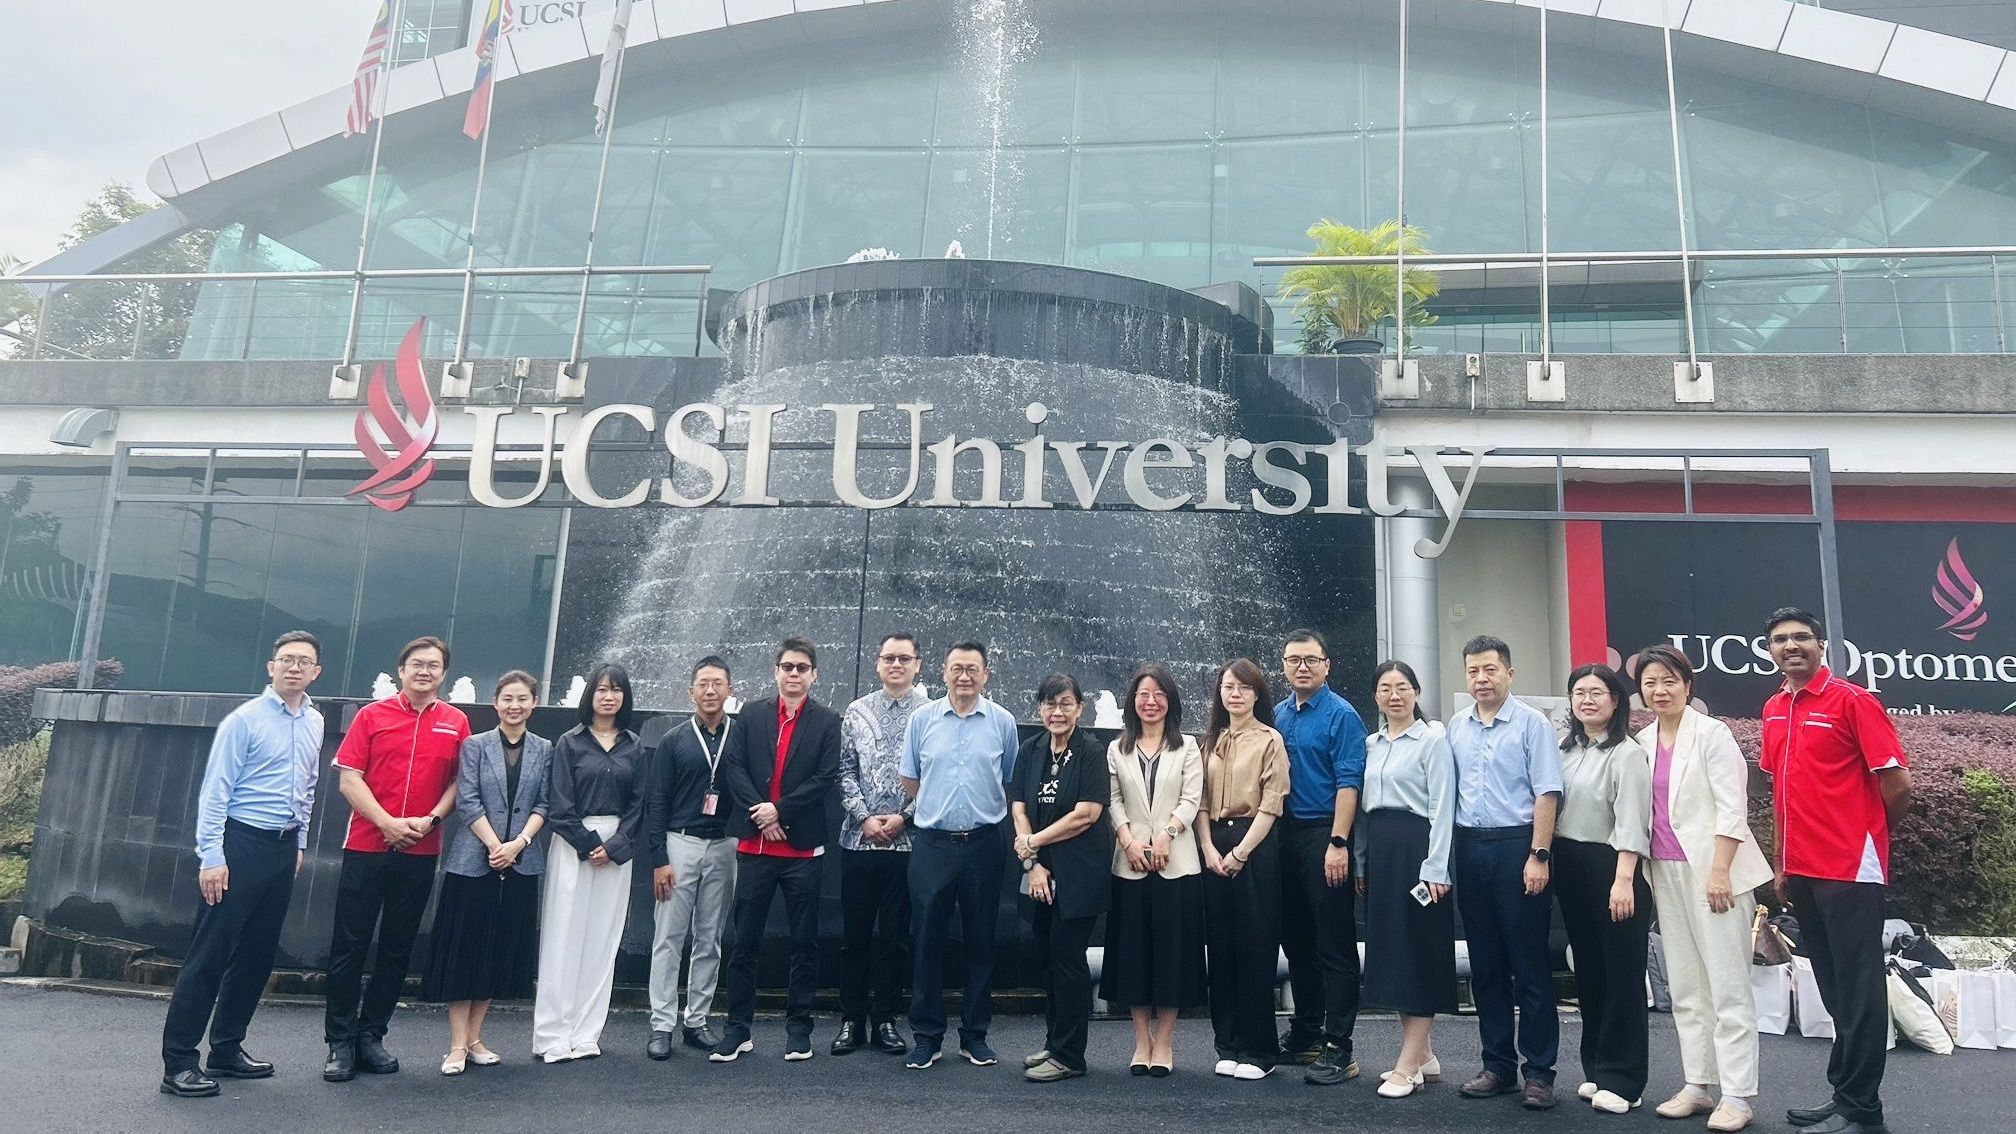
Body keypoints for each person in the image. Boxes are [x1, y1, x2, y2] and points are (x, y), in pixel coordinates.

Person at [1759, 610, 1909, 1134]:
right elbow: (1781, 794)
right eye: (1780, 639)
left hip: (1849, 868)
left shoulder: (1853, 701)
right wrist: (1781, 863)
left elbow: (1897, 783)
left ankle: (1863, 1111)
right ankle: (1845, 1095)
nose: (1791, 645)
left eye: (1801, 637)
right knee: (1833, 987)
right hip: (1801, 870)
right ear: (1770, 650)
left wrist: (1865, 833)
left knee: (1859, 988)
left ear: (1821, 645)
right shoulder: (1774, 708)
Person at [159, 631, 326, 1099]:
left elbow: (308, 787)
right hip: (240, 844)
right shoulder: (244, 720)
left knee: (256, 955)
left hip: (282, 848)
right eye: (287, 659)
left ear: (316, 673)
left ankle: (227, 1048)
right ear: (271, 667)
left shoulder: (314, 721)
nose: (294, 667)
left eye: (304, 662)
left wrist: (299, 843)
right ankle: (179, 1063)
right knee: (210, 954)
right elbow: (215, 791)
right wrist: (212, 857)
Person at [1636, 644, 1774, 1133]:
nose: (1660, 690)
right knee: (1686, 985)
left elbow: (1732, 807)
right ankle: (1697, 1084)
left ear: (1688, 685)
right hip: (1664, 872)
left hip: (1715, 873)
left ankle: (1737, 1095)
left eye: (1669, 681)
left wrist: (1719, 872)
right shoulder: (1643, 741)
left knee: (1727, 985)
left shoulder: (1713, 734)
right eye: (1650, 682)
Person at [324, 635, 470, 1083]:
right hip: (366, 845)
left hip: (420, 850)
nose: (424, 671)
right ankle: (340, 1042)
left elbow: (461, 783)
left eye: (433, 665)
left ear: (444, 674)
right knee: (349, 946)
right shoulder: (372, 715)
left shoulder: (456, 722)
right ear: (401, 670)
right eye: (416, 664)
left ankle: (372, 1035)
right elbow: (349, 779)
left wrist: (432, 819)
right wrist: (386, 822)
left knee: (397, 947)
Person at [712, 636, 843, 1064]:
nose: (794, 673)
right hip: (755, 846)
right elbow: (734, 767)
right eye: (787, 666)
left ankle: (799, 1031)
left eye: (802, 668)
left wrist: (779, 810)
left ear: (814, 675)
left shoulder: (827, 721)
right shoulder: (751, 714)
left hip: (801, 850)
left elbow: (825, 778)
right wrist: (762, 814)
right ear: (776, 671)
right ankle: (737, 1030)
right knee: (744, 941)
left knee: (804, 943)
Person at [1447, 634, 1563, 1109]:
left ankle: (1539, 1072)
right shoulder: (1456, 726)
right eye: (1473, 671)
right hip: (1469, 847)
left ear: (1509, 673)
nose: (1482, 679)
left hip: (1518, 846)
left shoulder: (1532, 724)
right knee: (1486, 965)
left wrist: (1539, 854)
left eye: (1490, 669)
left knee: (1529, 964)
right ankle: (1497, 1066)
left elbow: (1547, 792)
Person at [422, 670, 551, 1075]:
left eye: (523, 699)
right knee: (465, 950)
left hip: (521, 862)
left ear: (534, 704)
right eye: (507, 698)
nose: (515, 706)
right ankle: (457, 1044)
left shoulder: (545, 749)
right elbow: (468, 799)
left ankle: (476, 1038)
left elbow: (544, 803)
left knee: (497, 951)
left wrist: (518, 845)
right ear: (495, 703)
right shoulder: (475, 745)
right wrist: (496, 845)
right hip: (473, 862)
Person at [900, 640, 1020, 1070]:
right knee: (926, 940)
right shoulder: (922, 720)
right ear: (944, 672)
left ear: (986, 674)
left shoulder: (1003, 722)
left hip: (985, 844)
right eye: (957, 668)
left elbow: (1009, 778)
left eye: (972, 669)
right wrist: (940, 806)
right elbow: (910, 778)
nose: (964, 676)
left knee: (981, 940)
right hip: (933, 844)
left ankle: (975, 1035)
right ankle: (927, 1036)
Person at [533, 663, 647, 1062]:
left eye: (616, 690)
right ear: (590, 695)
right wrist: (588, 845)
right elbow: (559, 804)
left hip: (616, 849)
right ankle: (552, 1034)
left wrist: (614, 847)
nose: (609, 696)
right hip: (573, 845)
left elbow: (639, 805)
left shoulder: (634, 746)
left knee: (602, 940)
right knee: (563, 937)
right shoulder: (570, 742)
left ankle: (586, 1032)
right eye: (602, 689)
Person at [1554, 664, 1653, 1114]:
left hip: (1614, 867)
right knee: (1590, 971)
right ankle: (1596, 1067)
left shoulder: (1627, 753)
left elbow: (1632, 821)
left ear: (1615, 701)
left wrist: (1624, 880)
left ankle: (1624, 1079)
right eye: (1579, 693)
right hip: (1571, 865)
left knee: (1622, 976)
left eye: (1597, 692)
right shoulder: (1566, 749)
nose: (1587, 700)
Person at [1099, 663, 1206, 1077]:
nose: (1151, 702)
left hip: (1176, 861)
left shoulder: (1188, 746)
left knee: (1172, 956)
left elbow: (1191, 798)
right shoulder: (1117, 748)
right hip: (1130, 863)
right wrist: (1128, 841)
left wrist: (1167, 835)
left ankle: (1164, 1042)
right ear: (1132, 701)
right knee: (1134, 955)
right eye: (1143, 694)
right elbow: (1113, 801)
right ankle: (1141, 1040)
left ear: (1170, 702)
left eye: (1159, 694)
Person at [1358, 659, 1456, 1100]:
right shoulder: (1371, 743)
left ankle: (1406, 1065)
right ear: (1376, 696)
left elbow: (1443, 807)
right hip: (1382, 853)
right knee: (1394, 954)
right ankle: (1425, 1057)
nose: (1394, 695)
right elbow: (1365, 811)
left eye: (1402, 687)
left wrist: (1436, 866)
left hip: (1418, 851)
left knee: (1418, 953)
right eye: (1385, 688)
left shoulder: (1433, 740)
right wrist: (1361, 861)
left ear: (1416, 692)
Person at [1273, 629, 1367, 1084]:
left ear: (1327, 665)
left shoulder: (1342, 715)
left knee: (1334, 943)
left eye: (1311, 659)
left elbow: (1350, 783)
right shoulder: (1277, 714)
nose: (1302, 667)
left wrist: (1339, 843)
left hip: (1324, 834)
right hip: (1283, 835)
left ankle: (1339, 1045)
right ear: (1284, 666)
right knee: (1296, 941)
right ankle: (1307, 1032)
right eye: (1294, 660)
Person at [1010, 673, 1111, 1083]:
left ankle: (1071, 1056)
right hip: (1039, 873)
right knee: (1049, 960)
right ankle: (1055, 1043)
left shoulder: (1091, 751)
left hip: (1079, 874)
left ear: (1080, 708)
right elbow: (1018, 807)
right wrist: (1032, 862)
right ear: (1040, 709)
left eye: (1066, 703)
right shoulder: (1031, 749)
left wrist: (1032, 842)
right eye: (1050, 704)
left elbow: (1086, 815)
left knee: (1068, 958)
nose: (1058, 712)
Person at [832, 632, 928, 1057]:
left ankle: (886, 1019)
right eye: (889, 658)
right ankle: (851, 1020)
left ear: (917, 665)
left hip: (907, 844)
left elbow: (935, 774)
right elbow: (844, 771)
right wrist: (865, 818)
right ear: (878, 663)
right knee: (854, 936)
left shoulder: (931, 714)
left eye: (904, 659)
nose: (896, 665)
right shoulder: (856, 711)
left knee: (895, 937)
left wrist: (903, 818)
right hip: (858, 841)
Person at [643, 656, 740, 1060]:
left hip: (724, 845)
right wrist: (659, 858)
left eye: (718, 683)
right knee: (668, 937)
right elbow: (657, 800)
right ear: (691, 691)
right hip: (680, 844)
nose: (710, 690)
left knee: (710, 937)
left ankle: (697, 1020)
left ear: (730, 689)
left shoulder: (741, 736)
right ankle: (661, 1024)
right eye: (703, 684)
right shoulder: (674, 740)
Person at [1197, 659, 1289, 1081]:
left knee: (1256, 946)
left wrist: (1241, 852)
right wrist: (1207, 848)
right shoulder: (1210, 741)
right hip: (1213, 845)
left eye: (1243, 687)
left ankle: (1259, 1050)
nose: (1234, 694)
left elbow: (1272, 803)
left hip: (1254, 844)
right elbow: (1199, 801)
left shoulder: (1270, 739)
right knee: (1221, 948)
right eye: (1227, 687)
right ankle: (1228, 1043)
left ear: (1257, 694)